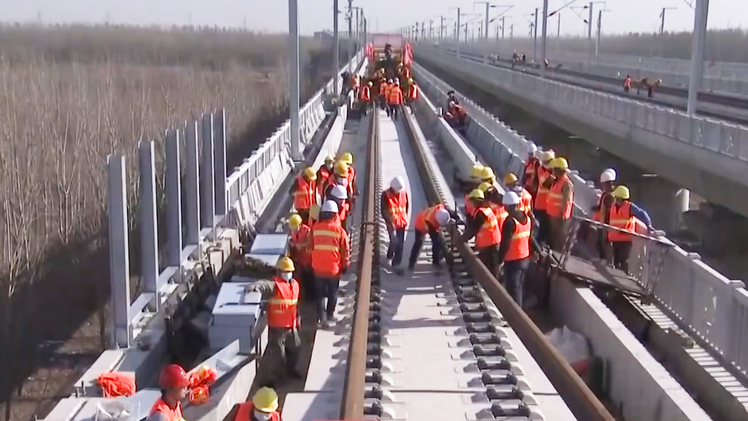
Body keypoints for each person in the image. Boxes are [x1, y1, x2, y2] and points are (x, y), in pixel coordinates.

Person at [246, 257, 303, 380]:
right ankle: (277, 378)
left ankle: (290, 370)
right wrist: (254, 287)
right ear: (279, 272)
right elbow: (264, 285)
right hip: (278, 327)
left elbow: (294, 305)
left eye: (289, 271)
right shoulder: (275, 285)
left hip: (291, 326)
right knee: (278, 355)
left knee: (296, 347)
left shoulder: (295, 285)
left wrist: (297, 318)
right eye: (285, 271)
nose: (287, 274)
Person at [311, 201, 350, 327]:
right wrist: (345, 265)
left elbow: (309, 246)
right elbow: (345, 251)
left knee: (319, 294)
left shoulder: (315, 229)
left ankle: (321, 318)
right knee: (333, 292)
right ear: (335, 215)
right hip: (334, 269)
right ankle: (330, 315)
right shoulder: (340, 231)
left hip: (317, 268)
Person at [497, 191, 537, 307]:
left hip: (513, 260)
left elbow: (506, 243)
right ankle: (518, 311)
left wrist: (500, 260)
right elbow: (531, 237)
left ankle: (516, 314)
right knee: (519, 286)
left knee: (513, 289)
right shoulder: (527, 218)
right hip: (524, 258)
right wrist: (535, 251)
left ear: (506, 206)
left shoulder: (509, 222)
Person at [607, 185, 654, 274]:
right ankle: (616, 277)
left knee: (624, 260)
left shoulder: (629, 207)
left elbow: (642, 214)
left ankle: (624, 278)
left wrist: (649, 225)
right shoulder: (614, 206)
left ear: (621, 198)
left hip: (625, 239)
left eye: (617, 197)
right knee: (616, 261)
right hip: (614, 238)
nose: (615, 199)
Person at [461, 189, 501, 280]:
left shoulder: (481, 213)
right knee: (488, 266)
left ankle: (493, 285)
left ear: (475, 201)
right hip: (490, 242)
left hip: (490, 243)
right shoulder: (485, 210)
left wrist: (461, 239)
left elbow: (473, 229)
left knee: (491, 268)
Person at [408, 204, 458, 271]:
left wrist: (457, 218)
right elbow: (435, 241)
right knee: (419, 243)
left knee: (438, 242)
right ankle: (412, 262)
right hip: (420, 224)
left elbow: (450, 212)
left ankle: (437, 260)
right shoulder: (431, 221)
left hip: (425, 218)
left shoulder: (442, 209)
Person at [382, 176, 410, 274]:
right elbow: (383, 210)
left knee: (400, 243)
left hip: (401, 222)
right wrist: (389, 222)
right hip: (391, 222)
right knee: (394, 241)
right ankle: (389, 256)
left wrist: (404, 218)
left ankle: (396, 264)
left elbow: (406, 206)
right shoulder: (385, 195)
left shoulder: (403, 193)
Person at [546, 157, 574, 252]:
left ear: (559, 170)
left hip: (560, 216)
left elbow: (566, 200)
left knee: (560, 236)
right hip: (553, 213)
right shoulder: (556, 181)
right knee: (554, 235)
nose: (553, 171)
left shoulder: (566, 183)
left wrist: (562, 213)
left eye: (555, 169)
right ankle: (554, 251)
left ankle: (559, 253)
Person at [288, 213, 314, 301]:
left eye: (295, 228)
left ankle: (311, 297)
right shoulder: (293, 232)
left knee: (310, 279)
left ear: (300, 225)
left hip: (308, 260)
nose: (294, 230)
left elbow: (309, 244)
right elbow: (293, 240)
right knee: (302, 278)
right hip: (300, 260)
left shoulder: (307, 231)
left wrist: (298, 245)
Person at [592, 168, 617, 260]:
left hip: (606, 224)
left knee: (603, 243)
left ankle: (604, 259)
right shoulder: (605, 194)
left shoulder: (610, 196)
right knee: (599, 242)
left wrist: (606, 224)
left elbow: (609, 210)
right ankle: (602, 258)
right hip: (601, 222)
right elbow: (601, 207)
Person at [533, 150, 555, 245]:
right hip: (543, 205)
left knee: (546, 228)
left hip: (545, 204)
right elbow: (547, 184)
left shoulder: (544, 170)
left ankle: (542, 244)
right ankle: (538, 245)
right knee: (544, 228)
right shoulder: (543, 172)